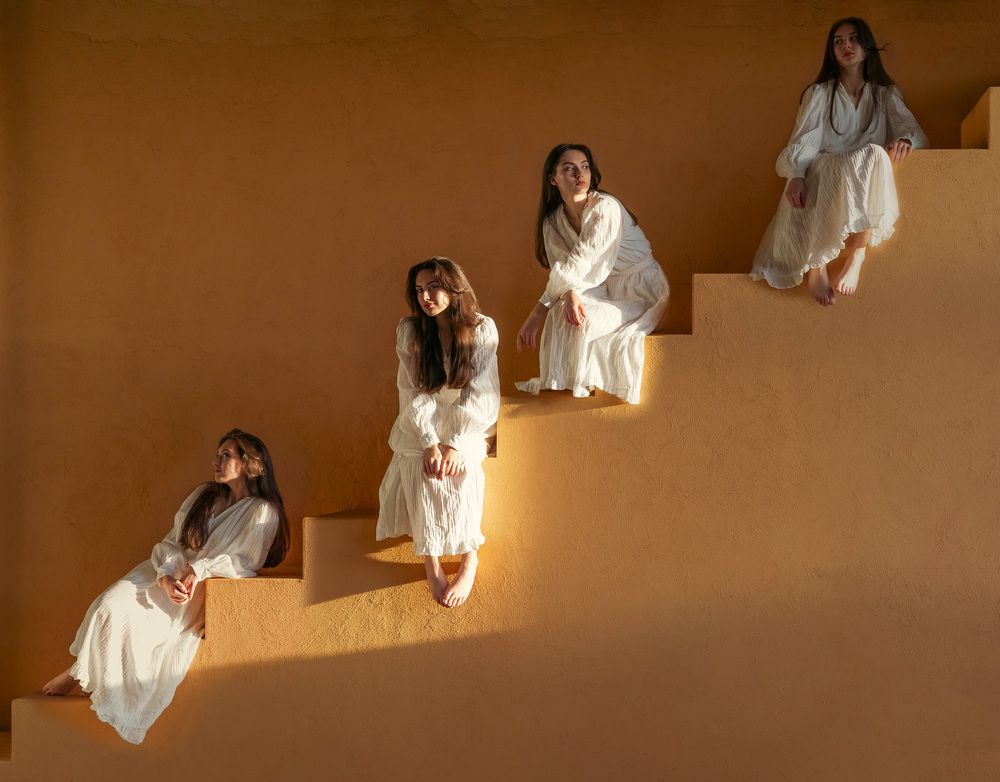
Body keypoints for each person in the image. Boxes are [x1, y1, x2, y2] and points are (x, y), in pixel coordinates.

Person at [40, 429, 290, 744]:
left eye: (225, 455)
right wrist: (167, 575)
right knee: (107, 605)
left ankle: (80, 673)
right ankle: (82, 669)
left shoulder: (262, 511)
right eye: (217, 455)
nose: (215, 461)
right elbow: (173, 540)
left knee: (139, 627)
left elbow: (245, 562)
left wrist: (198, 570)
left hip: (195, 590)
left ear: (248, 462)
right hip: (165, 571)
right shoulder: (204, 495)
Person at [750, 17, 929, 304]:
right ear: (832, 51)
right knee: (849, 161)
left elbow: (914, 133)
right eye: (838, 42)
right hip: (826, 168)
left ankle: (858, 253)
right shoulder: (820, 93)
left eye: (853, 39)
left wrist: (905, 141)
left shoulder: (884, 95)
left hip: (863, 167)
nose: (846, 46)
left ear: (866, 47)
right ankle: (816, 264)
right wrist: (796, 174)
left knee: (875, 154)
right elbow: (804, 139)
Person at [377, 258, 500, 608]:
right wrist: (430, 441)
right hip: (423, 417)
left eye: (433, 287)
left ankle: (469, 556)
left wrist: (455, 444)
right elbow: (411, 391)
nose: (425, 297)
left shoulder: (481, 328)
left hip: (468, 418)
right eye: (419, 291)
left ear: (454, 288)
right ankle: (430, 559)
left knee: (461, 467)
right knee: (420, 464)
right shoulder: (411, 331)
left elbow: (483, 392)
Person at [515, 143, 669, 404]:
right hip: (600, 288)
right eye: (569, 168)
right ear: (553, 179)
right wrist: (569, 293)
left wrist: (537, 312)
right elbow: (563, 265)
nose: (580, 174)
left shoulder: (605, 207)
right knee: (564, 312)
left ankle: (582, 386)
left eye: (585, 167)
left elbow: (585, 259)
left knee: (581, 319)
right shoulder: (553, 221)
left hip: (641, 290)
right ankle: (566, 388)